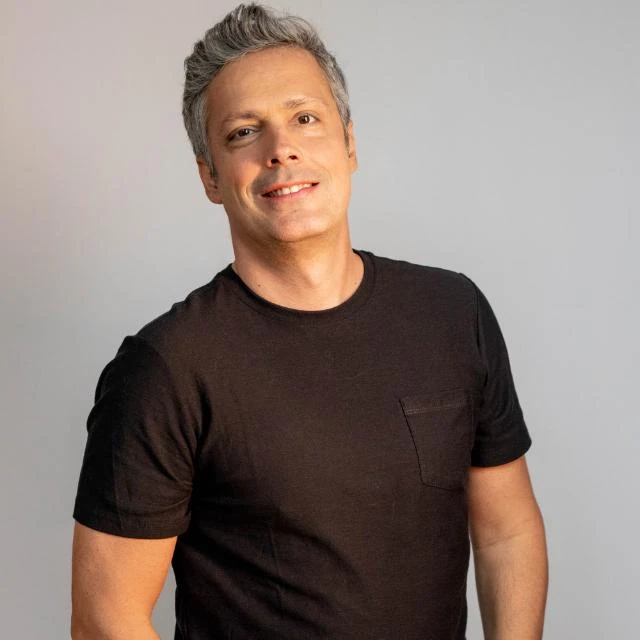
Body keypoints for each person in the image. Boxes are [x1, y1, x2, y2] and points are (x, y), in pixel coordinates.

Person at [71, 4, 548, 639]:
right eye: (244, 132)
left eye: (304, 118)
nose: (281, 150)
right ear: (210, 176)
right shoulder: (167, 368)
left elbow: (506, 532)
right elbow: (105, 620)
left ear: (349, 143)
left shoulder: (452, 313)